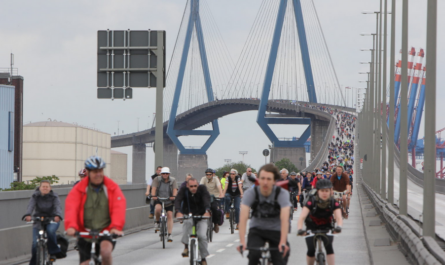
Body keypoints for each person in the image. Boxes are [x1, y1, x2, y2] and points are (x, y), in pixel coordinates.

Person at [65, 155, 126, 265]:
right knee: (84, 263)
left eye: (100, 171)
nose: (98, 174)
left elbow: (119, 206)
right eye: (94, 172)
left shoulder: (112, 187)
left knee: (105, 253)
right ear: (88, 173)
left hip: (106, 230)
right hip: (85, 230)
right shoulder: (79, 189)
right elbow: (71, 207)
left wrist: (116, 227)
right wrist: (71, 226)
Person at [238, 163, 291, 265]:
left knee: (281, 257)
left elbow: (285, 219)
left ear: (275, 181)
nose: (265, 182)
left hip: (276, 229)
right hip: (257, 229)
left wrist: (283, 242)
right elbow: (243, 217)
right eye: (262, 178)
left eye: (269, 179)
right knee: (253, 255)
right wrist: (242, 242)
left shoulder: (282, 193)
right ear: (258, 179)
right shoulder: (251, 193)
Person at [297, 179, 343, 265]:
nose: (324, 193)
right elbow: (302, 216)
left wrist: (339, 226)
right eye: (322, 191)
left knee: (329, 248)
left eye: (327, 191)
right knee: (311, 250)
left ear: (330, 191)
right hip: (311, 228)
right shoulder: (311, 201)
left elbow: (339, 217)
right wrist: (300, 229)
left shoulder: (333, 202)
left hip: (327, 228)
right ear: (318, 191)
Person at [23, 180, 63, 265]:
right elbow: (31, 205)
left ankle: (53, 252)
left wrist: (58, 215)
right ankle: (34, 263)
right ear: (39, 188)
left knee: (51, 231)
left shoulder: (54, 197)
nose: (45, 188)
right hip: (38, 220)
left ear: (50, 188)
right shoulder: (35, 196)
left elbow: (58, 207)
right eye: (43, 186)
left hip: (52, 219)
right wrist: (28, 215)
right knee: (35, 244)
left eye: (47, 187)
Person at [175, 178, 211, 265]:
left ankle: (203, 258)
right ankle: (186, 246)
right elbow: (178, 200)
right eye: (191, 186)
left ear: (198, 185)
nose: (193, 188)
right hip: (189, 214)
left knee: (202, 236)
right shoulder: (184, 190)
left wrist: (207, 210)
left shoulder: (202, 189)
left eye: (195, 186)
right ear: (187, 186)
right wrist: (178, 212)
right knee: (187, 223)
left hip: (202, 216)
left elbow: (206, 199)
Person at [151, 167, 178, 242]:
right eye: (163, 173)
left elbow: (175, 189)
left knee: (169, 215)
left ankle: (169, 234)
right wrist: (153, 196)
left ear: (169, 174)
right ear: (161, 174)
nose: (165, 175)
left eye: (166, 173)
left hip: (169, 200)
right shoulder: (157, 179)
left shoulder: (173, 180)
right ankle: (157, 222)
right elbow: (154, 188)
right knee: (158, 209)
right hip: (159, 199)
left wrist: (174, 196)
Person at [200, 168, 224, 233]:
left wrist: (221, 194)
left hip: (215, 196)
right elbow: (200, 187)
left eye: (210, 174)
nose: (208, 176)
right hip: (206, 197)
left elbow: (219, 186)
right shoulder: (203, 179)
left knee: (214, 208)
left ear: (212, 175)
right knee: (201, 208)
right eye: (207, 174)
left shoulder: (216, 179)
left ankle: (216, 224)